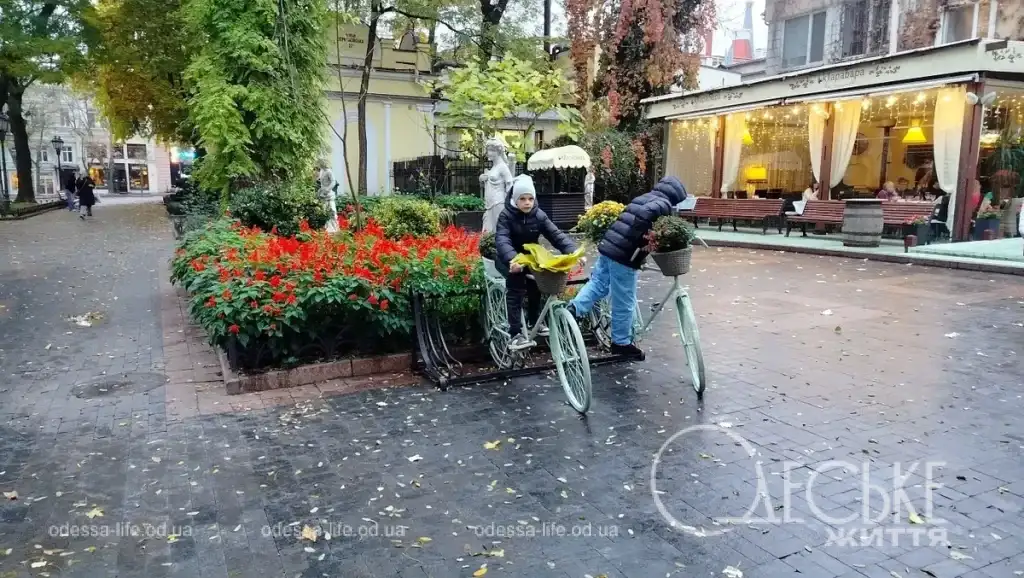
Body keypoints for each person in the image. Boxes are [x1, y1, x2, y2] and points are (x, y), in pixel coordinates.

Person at [567, 176, 688, 358]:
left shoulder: (644, 197)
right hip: (624, 256)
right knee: (624, 301)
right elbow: (644, 217)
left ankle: (574, 309)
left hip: (608, 247)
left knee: (598, 283)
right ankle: (621, 343)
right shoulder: (663, 204)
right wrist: (640, 239)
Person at [495, 174, 577, 349]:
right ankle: (515, 333)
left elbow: (555, 235)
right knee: (515, 289)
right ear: (515, 200)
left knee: (536, 286)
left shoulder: (538, 215)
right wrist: (512, 260)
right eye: (522, 199)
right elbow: (502, 240)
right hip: (509, 258)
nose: (527, 202)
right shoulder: (506, 216)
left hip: (530, 258)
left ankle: (535, 322)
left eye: (531, 198)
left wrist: (574, 253)